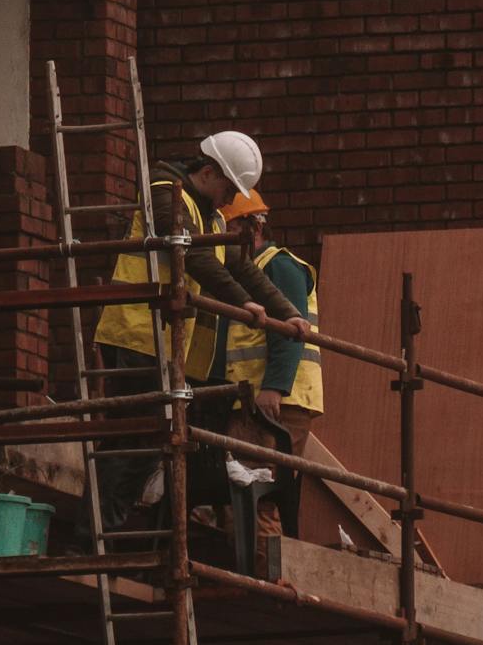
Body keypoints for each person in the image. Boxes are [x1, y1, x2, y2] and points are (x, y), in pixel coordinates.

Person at [93, 131, 306, 527]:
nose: (231, 199)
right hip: (137, 334)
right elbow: (189, 255)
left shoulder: (210, 214)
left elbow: (240, 267)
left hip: (164, 345)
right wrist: (242, 303)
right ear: (208, 172)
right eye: (229, 188)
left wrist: (287, 313)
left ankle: (111, 529)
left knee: (149, 443)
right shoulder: (164, 191)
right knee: (131, 441)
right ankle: (97, 533)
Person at [215, 193, 321, 537]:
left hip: (275, 403)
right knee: (244, 497)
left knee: (257, 498)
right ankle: (258, 580)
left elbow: (291, 328)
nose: (220, 235)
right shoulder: (249, 273)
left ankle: (264, 584)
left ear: (250, 228)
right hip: (253, 402)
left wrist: (274, 387)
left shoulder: (278, 265)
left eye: (226, 226)